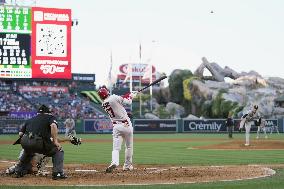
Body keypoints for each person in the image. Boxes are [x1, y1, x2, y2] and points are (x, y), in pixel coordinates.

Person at [13, 104, 67, 180]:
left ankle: (18, 171)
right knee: (58, 150)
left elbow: (20, 134)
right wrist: (55, 141)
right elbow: (53, 126)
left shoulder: (30, 119)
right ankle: (57, 173)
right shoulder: (50, 117)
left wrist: (28, 143)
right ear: (47, 112)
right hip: (38, 141)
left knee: (28, 151)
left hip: (25, 141)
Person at [98, 87, 136, 173]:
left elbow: (119, 102)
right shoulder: (114, 97)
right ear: (107, 92)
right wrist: (131, 96)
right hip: (126, 125)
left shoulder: (104, 103)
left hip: (116, 127)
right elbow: (128, 102)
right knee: (129, 147)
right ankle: (127, 166)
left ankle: (114, 162)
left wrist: (128, 95)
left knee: (116, 148)